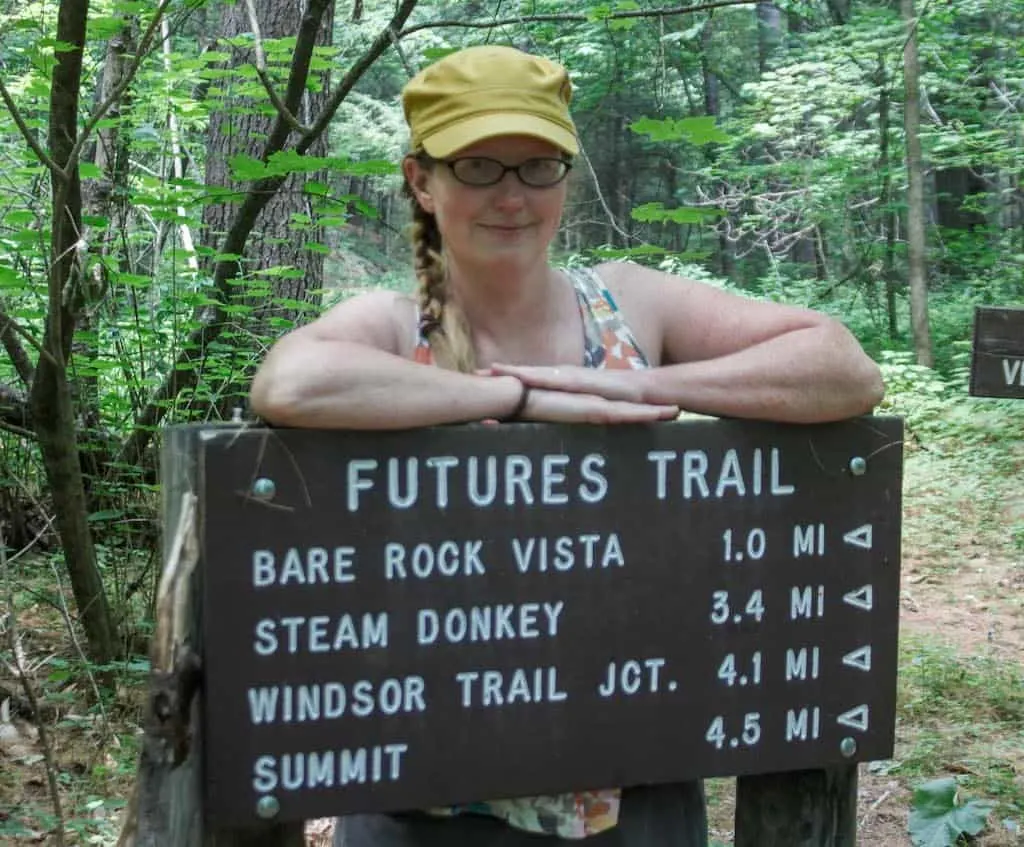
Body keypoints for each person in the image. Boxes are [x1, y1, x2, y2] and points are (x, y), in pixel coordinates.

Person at [250, 45, 884, 847]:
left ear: (565, 178)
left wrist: (645, 385)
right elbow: (290, 384)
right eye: (478, 166)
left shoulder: (630, 302)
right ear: (422, 181)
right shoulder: (391, 321)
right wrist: (517, 396)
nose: (510, 197)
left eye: (537, 167)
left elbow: (844, 367)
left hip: (631, 782)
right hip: (426, 797)